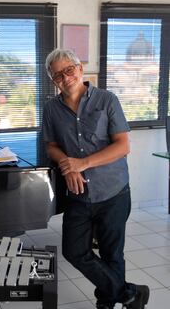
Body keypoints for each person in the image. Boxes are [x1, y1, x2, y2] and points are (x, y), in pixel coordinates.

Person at [42, 49, 149, 309]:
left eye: (69, 70)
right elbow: (51, 146)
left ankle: (106, 302)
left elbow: (123, 146)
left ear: (79, 68)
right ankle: (130, 293)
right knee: (74, 251)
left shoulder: (107, 100)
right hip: (78, 195)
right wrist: (69, 168)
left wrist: (83, 163)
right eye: (57, 75)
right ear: (52, 80)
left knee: (112, 253)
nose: (65, 78)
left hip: (113, 191)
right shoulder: (51, 109)